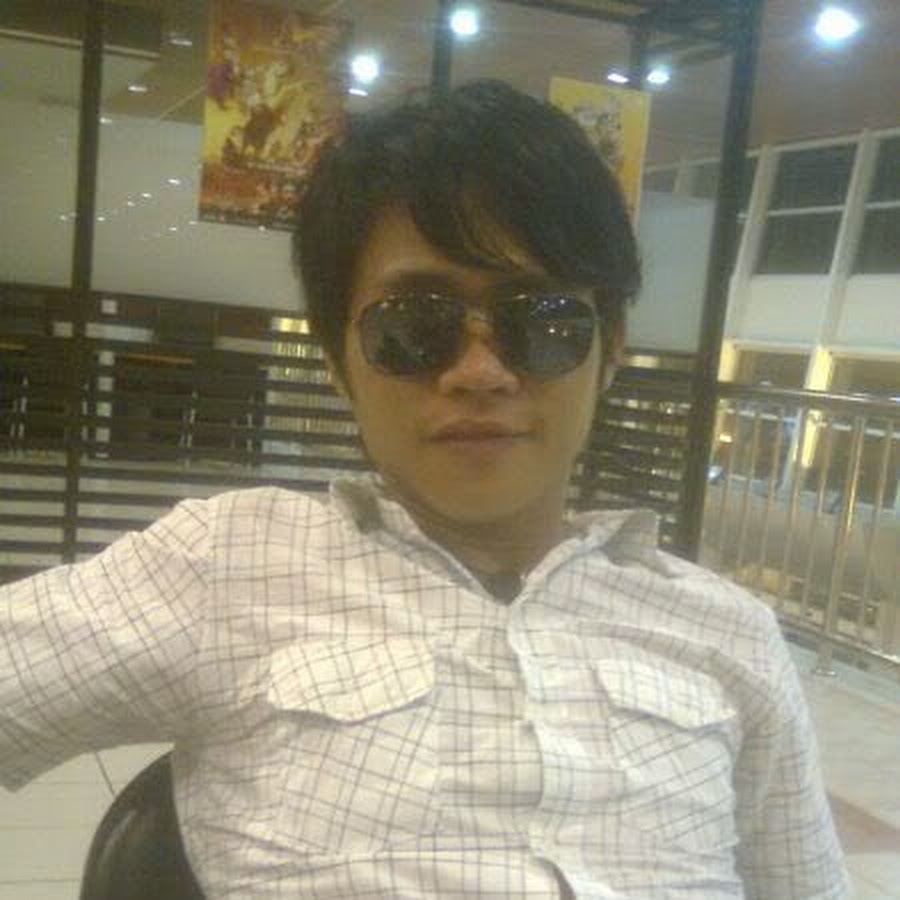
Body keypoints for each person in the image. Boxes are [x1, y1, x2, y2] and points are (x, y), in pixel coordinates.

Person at [0, 80, 849, 899]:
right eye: (414, 326)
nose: (480, 371)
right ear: (338, 363)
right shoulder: (228, 564)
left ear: (612, 349)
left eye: (543, 321)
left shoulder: (729, 635)